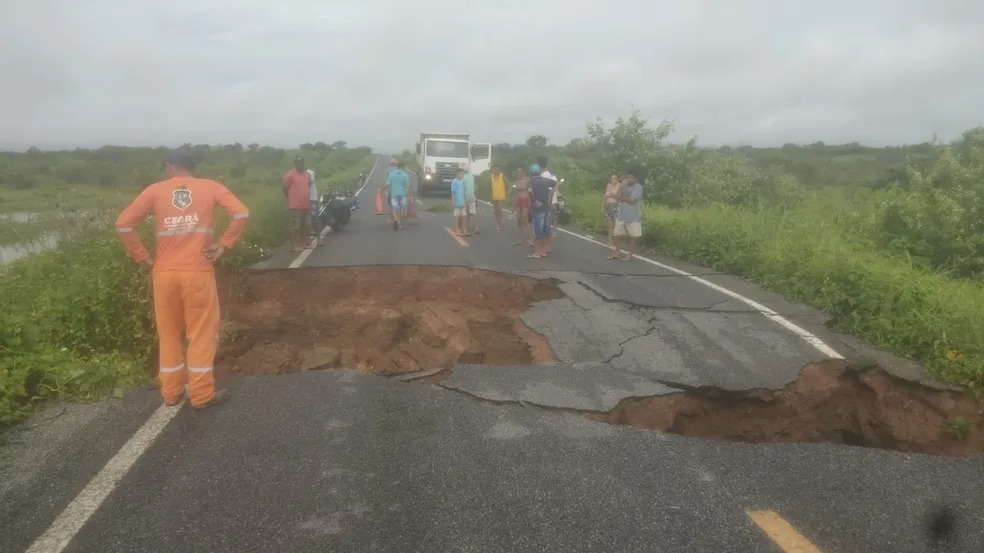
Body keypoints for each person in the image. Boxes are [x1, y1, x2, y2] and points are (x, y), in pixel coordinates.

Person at [114, 149, 249, 410]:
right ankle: (200, 394)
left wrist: (143, 257)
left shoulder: (155, 190)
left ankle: (172, 392)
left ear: (169, 167)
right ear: (191, 167)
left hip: (164, 274)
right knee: (201, 333)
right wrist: (223, 244)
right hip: (197, 272)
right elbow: (241, 213)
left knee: (168, 334)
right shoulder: (210, 187)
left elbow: (123, 225)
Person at [283, 156, 315, 251]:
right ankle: (296, 245)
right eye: (298, 162)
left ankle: (306, 242)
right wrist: (291, 198)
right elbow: (285, 188)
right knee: (296, 226)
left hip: (306, 204)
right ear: (295, 163)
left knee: (307, 225)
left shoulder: (307, 175)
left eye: (301, 162)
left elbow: (308, 185)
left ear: (303, 163)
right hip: (295, 205)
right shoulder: (289, 175)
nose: (300, 164)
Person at [610, 172, 643, 261]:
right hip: (622, 214)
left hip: (633, 216)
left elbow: (632, 200)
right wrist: (621, 187)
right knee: (616, 234)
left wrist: (622, 198)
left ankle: (630, 254)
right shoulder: (623, 186)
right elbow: (617, 197)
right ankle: (617, 252)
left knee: (632, 236)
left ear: (636, 179)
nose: (629, 179)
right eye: (628, 177)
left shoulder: (638, 187)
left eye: (631, 177)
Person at [527, 163, 556, 259]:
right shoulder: (546, 180)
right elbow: (556, 183)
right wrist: (550, 194)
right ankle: (544, 250)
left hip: (537, 208)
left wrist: (534, 200)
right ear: (539, 172)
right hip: (546, 207)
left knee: (538, 231)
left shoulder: (531, 181)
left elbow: (530, 191)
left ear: (531, 172)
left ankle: (537, 252)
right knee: (546, 230)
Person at [511, 167, 533, 246]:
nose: (518, 173)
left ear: (523, 172)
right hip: (518, 200)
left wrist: (530, 202)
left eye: (520, 171)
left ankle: (531, 239)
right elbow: (515, 193)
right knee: (519, 220)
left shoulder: (527, 180)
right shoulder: (516, 181)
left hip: (525, 200)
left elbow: (530, 192)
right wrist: (513, 205)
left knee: (525, 219)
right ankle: (520, 239)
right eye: (517, 172)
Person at [386, 160, 411, 230]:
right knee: (402, 209)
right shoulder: (405, 175)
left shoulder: (390, 172)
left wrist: (383, 189)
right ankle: (399, 223)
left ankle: (395, 220)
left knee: (394, 208)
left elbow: (388, 183)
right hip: (402, 194)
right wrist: (410, 193)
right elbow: (407, 185)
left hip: (393, 193)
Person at [601, 174, 622, 247]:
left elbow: (618, 197)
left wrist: (610, 195)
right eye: (612, 178)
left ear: (617, 179)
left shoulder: (619, 185)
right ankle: (609, 241)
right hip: (608, 205)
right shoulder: (609, 185)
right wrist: (603, 206)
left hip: (615, 206)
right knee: (609, 225)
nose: (613, 180)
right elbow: (605, 196)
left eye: (615, 178)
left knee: (615, 224)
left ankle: (615, 241)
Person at [461, 162, 479, 235]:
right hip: (472, 196)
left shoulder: (462, 178)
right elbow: (475, 187)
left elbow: (462, 188)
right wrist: (476, 196)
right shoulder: (472, 176)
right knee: (473, 212)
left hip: (465, 196)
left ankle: (465, 229)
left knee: (465, 213)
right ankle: (476, 228)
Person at [308, 167, 324, 246]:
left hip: (312, 199)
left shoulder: (310, 172)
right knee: (305, 221)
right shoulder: (296, 174)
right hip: (302, 200)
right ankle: (307, 239)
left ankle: (318, 239)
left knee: (315, 219)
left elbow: (309, 182)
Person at [450, 168, 467, 236]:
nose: (462, 175)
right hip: (457, 202)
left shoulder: (462, 181)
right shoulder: (454, 181)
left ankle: (464, 230)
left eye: (463, 174)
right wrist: (453, 201)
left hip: (462, 202)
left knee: (464, 217)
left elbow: (463, 192)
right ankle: (457, 230)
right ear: (457, 173)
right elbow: (453, 192)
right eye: (461, 174)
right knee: (457, 217)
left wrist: (465, 200)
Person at [489, 165, 507, 231]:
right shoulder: (491, 177)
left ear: (499, 170)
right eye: (494, 170)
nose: (495, 171)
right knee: (495, 211)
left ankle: (498, 224)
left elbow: (507, 183)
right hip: (494, 196)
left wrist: (505, 188)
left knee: (499, 209)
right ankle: (498, 220)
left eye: (497, 169)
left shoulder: (502, 176)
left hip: (501, 195)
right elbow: (489, 184)